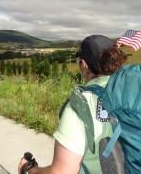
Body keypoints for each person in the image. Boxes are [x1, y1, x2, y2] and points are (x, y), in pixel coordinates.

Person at [18, 35, 127, 174]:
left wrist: (29, 169)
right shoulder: (135, 96)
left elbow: (61, 172)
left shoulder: (80, 106)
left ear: (84, 65)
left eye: (78, 61)